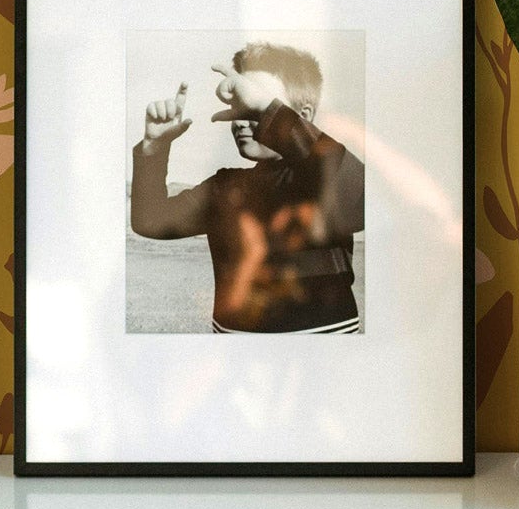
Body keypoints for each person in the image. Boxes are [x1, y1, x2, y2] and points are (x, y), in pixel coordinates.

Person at [131, 42, 364, 334]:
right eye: (237, 107)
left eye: (254, 106)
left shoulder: (326, 181)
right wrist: (154, 149)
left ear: (302, 115)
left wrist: (270, 112)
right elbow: (149, 220)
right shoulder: (225, 187)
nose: (241, 121)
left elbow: (359, 200)